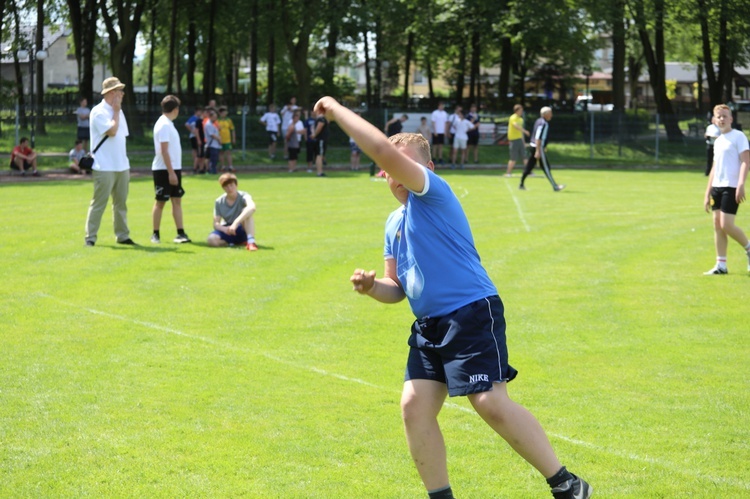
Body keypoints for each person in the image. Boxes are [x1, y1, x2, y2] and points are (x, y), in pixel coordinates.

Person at [314, 96, 591, 499]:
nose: (394, 171)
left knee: (489, 403)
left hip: (470, 312)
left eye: (401, 162)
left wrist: (337, 110)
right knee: (414, 407)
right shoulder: (393, 223)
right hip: (429, 326)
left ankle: (567, 484)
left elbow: (377, 148)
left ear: (426, 169)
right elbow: (399, 289)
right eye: (390, 167)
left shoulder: (433, 194)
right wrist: (373, 288)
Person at [84, 76, 135, 246]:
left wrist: (117, 111)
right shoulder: (98, 111)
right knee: (99, 203)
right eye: (120, 91)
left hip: (121, 164)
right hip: (103, 165)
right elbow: (112, 131)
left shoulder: (118, 111)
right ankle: (90, 237)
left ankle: (122, 235)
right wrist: (116, 111)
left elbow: (123, 136)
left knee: (121, 204)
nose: (122, 93)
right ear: (111, 93)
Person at [702, 104, 750, 275]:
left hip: (731, 187)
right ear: (714, 120)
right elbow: (715, 168)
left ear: (731, 119)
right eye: (718, 116)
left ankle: (749, 248)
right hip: (717, 187)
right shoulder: (718, 141)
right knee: (717, 225)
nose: (721, 119)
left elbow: (746, 161)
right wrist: (707, 193)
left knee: (726, 224)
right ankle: (721, 265)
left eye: (724, 116)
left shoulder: (738, 137)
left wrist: (741, 184)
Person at [150, 95, 191, 245]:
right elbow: (164, 151)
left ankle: (180, 233)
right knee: (160, 201)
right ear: (175, 109)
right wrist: (171, 172)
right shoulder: (164, 125)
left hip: (173, 168)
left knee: (177, 200)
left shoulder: (168, 124)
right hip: (164, 170)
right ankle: (155, 234)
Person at [207, 173, 258, 251]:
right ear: (223, 188)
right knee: (211, 240)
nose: (229, 188)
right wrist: (224, 229)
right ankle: (230, 243)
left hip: (242, 227)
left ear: (236, 185)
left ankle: (251, 241)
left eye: (231, 185)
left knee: (247, 211)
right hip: (228, 229)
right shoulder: (219, 201)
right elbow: (216, 223)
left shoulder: (244, 196)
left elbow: (252, 207)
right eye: (226, 186)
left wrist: (235, 224)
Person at [519, 107, 565, 192]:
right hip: (538, 147)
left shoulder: (538, 121)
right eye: (550, 113)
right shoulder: (544, 123)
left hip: (534, 146)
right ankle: (555, 186)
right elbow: (538, 137)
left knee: (530, 166)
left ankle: (521, 184)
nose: (551, 115)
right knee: (546, 167)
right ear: (545, 114)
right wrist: (538, 150)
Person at [506, 104, 530, 177]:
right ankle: (508, 173)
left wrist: (523, 142)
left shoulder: (521, 119)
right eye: (520, 110)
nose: (521, 112)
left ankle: (529, 172)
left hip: (519, 139)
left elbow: (520, 133)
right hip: (514, 140)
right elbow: (515, 126)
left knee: (525, 156)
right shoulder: (513, 117)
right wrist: (525, 131)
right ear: (516, 111)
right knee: (513, 158)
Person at [217, 106, 236, 172]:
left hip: (228, 140)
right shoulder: (217, 120)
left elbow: (232, 129)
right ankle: (223, 166)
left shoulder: (229, 120)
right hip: (220, 140)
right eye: (224, 112)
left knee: (228, 152)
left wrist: (233, 138)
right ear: (220, 113)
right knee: (221, 153)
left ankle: (230, 166)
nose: (225, 113)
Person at [185, 106, 204, 173]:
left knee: (199, 151)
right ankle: (196, 164)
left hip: (197, 136)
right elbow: (187, 124)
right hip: (194, 136)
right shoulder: (194, 118)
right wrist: (192, 131)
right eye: (199, 111)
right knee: (196, 151)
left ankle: (199, 165)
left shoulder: (200, 119)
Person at [311, 109, 329, 177]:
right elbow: (320, 126)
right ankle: (319, 172)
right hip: (321, 140)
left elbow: (313, 128)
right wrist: (315, 135)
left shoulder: (318, 119)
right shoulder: (321, 119)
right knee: (319, 155)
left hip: (319, 140)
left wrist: (314, 135)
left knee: (319, 155)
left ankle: (320, 171)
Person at [204, 109, 221, 174]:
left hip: (215, 144)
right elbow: (212, 135)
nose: (215, 118)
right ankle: (212, 170)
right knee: (213, 159)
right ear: (210, 117)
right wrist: (219, 139)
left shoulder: (213, 124)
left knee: (214, 158)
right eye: (214, 117)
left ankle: (213, 170)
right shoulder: (208, 124)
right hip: (212, 145)